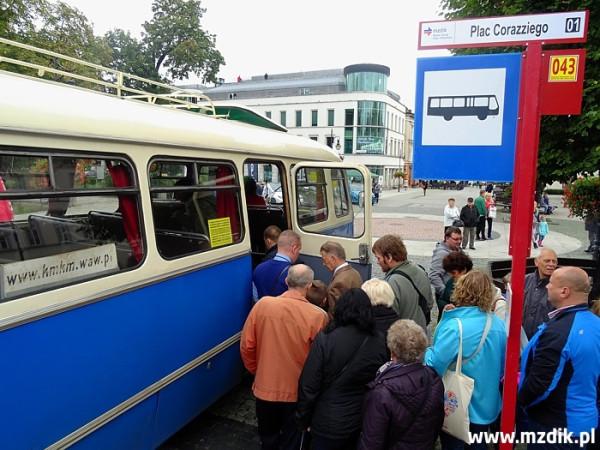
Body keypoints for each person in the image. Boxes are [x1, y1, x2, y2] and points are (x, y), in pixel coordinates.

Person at [240, 265, 328, 450]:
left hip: (265, 388)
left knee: (268, 438)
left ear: (287, 281)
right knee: (292, 440)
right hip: (296, 392)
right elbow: (319, 362)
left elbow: (247, 346)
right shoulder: (318, 316)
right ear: (309, 285)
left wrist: (257, 370)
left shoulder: (262, 305)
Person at [425, 270, 507, 450]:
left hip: (459, 404)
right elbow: (503, 367)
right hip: (487, 402)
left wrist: (425, 351)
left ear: (460, 290)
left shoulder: (456, 326)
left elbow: (434, 364)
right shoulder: (499, 325)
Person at [296, 288, 388, 450]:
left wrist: (304, 418)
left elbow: (309, 384)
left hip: (327, 420)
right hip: (361, 419)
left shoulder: (326, 338)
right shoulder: (379, 341)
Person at [519, 267, 600, 446]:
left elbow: (541, 385)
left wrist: (521, 401)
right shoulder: (595, 323)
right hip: (586, 420)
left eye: (551, 283)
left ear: (565, 291)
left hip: (556, 425)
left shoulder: (559, 332)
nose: (547, 286)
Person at [358, 319, 445, 450]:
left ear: (393, 352)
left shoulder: (382, 392)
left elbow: (371, 441)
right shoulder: (433, 379)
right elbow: (437, 422)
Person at [372, 234, 433, 330]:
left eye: (378, 258)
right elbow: (429, 303)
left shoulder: (391, 283)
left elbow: (389, 319)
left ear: (389, 257)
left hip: (403, 338)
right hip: (421, 333)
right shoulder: (420, 270)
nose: (377, 262)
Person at [253, 230, 302, 300]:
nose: (298, 253)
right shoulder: (294, 273)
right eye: (299, 250)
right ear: (294, 249)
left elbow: (255, 297)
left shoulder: (258, 269)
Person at [522, 248, 558, 339]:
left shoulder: (559, 286)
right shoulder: (525, 280)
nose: (551, 264)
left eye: (554, 262)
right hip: (522, 339)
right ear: (536, 262)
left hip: (545, 341)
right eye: (547, 261)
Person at [320, 241, 363, 316]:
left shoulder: (339, 283)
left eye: (324, 260)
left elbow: (334, 314)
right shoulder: (355, 273)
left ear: (333, 258)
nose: (323, 264)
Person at [429, 226, 463, 307]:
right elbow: (433, 275)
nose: (459, 241)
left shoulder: (458, 250)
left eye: (460, 239)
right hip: (447, 297)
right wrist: (446, 293)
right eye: (456, 239)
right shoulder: (442, 254)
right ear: (447, 238)